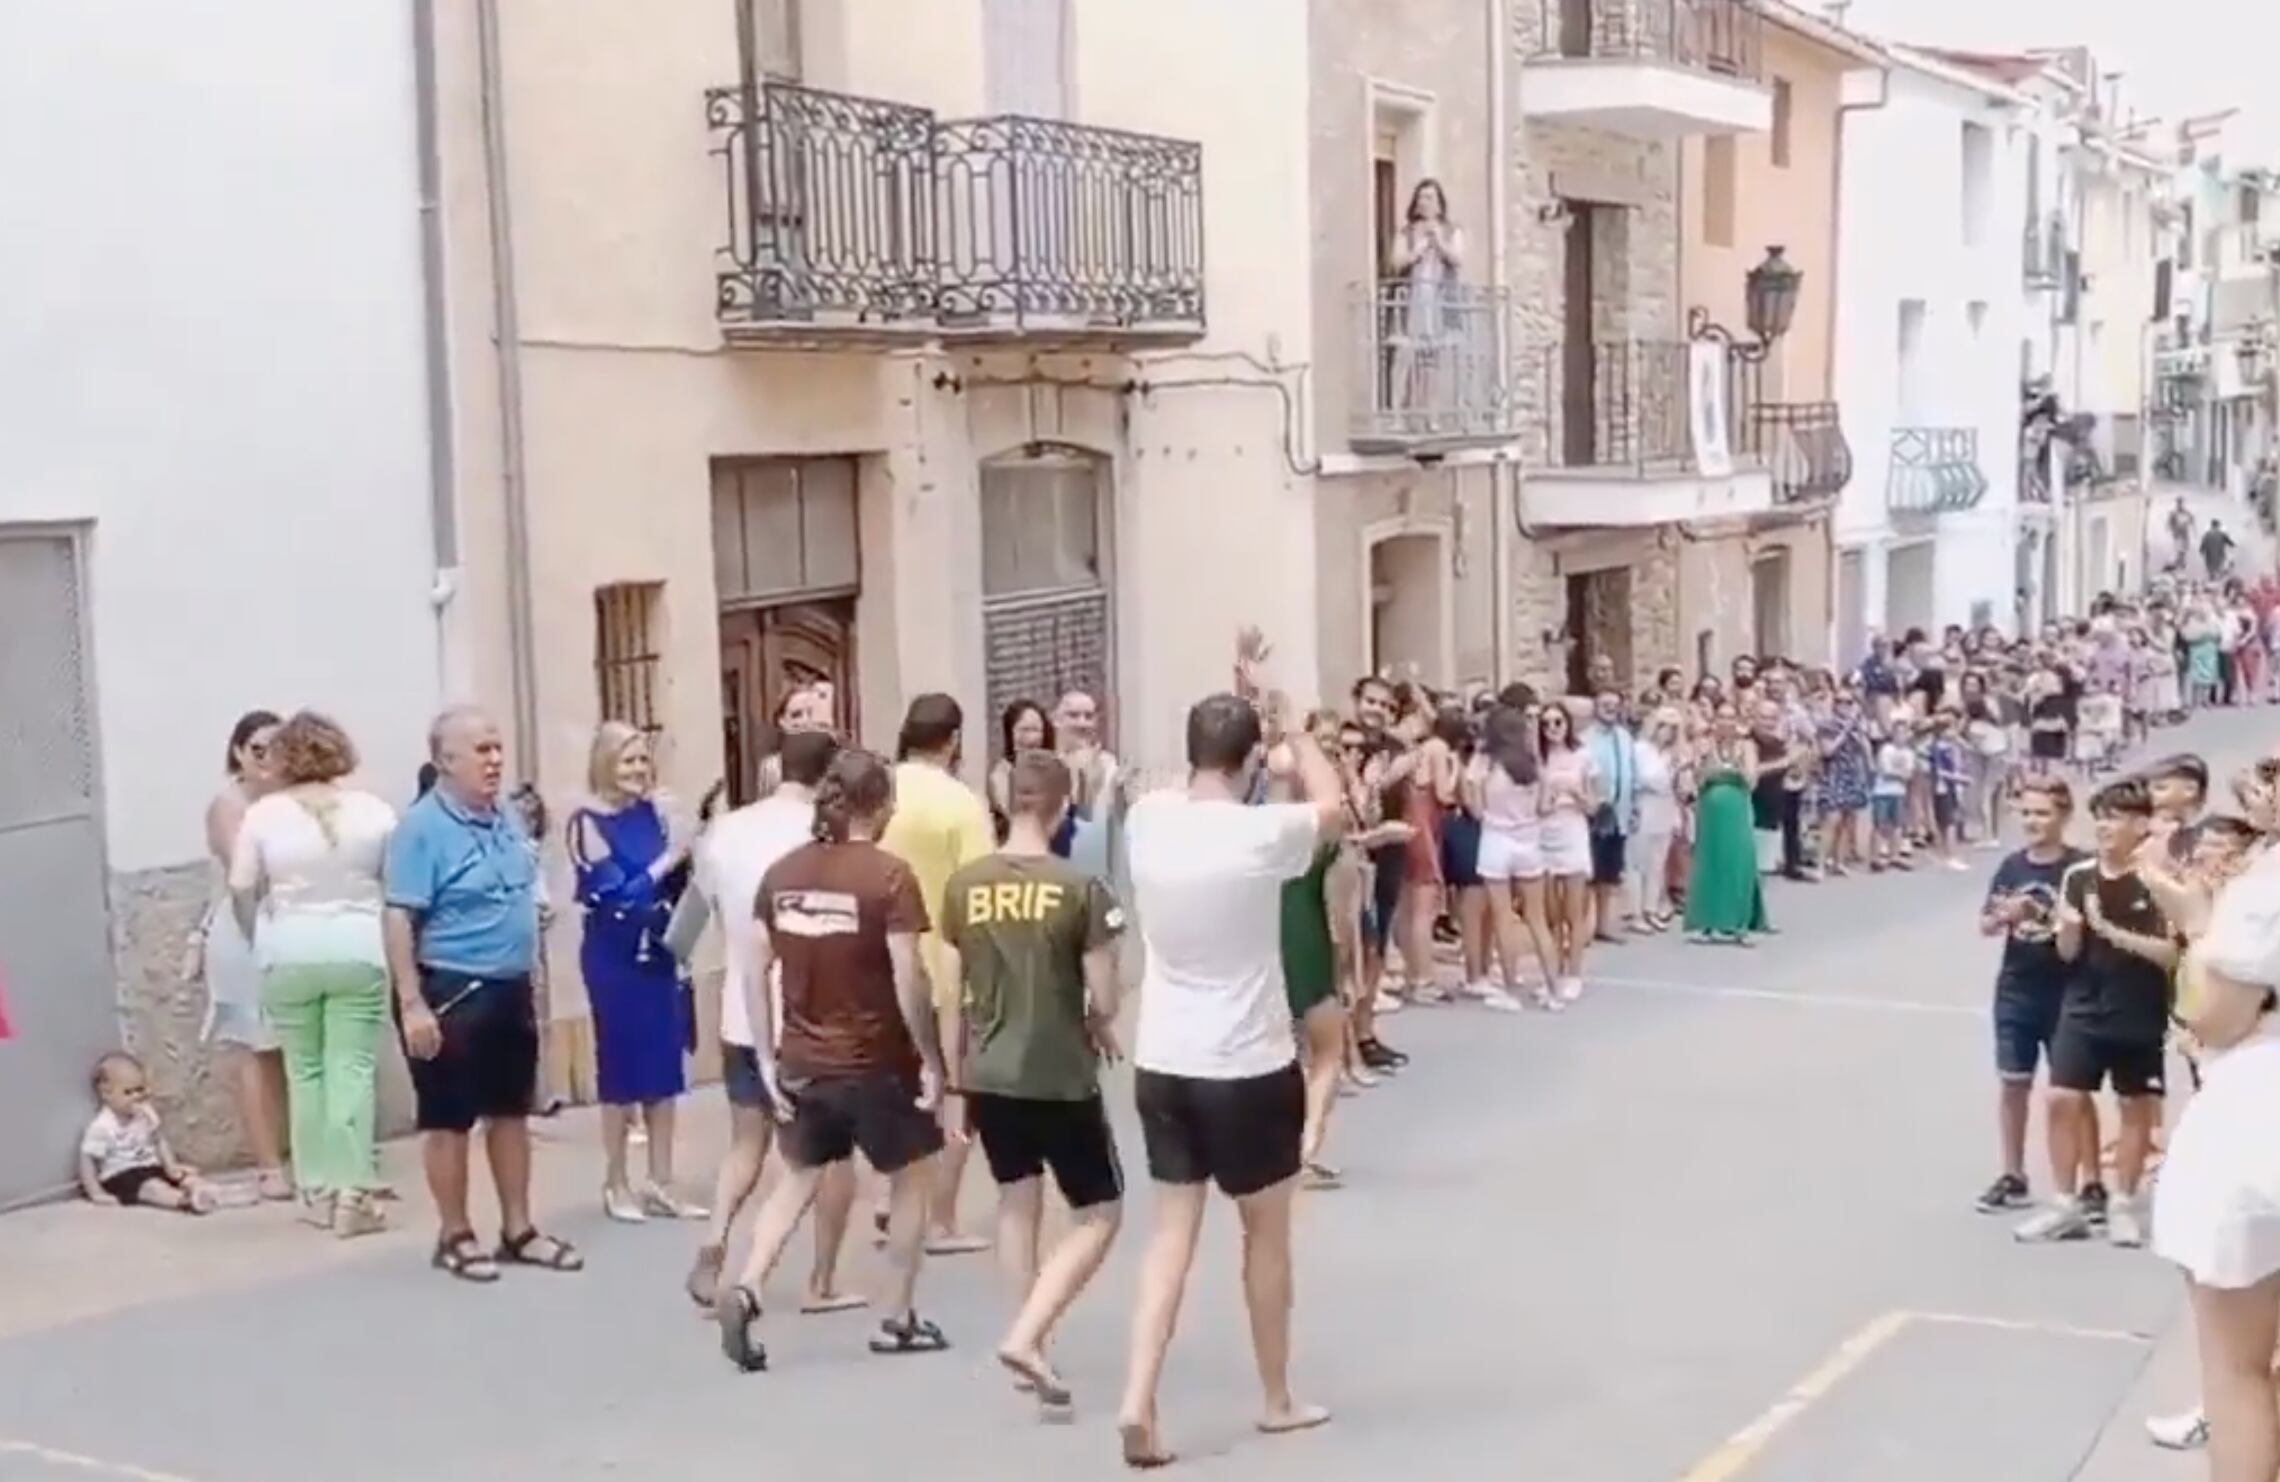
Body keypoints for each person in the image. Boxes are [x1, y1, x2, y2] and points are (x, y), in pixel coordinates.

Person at [1116, 633, 1345, 1468]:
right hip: (1247, 1063)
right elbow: (1333, 805)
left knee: (1170, 1234)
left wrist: (1242, 705)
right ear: (1252, 760)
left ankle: (1139, 1396)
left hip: (1165, 1058)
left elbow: (1212, 778)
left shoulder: (1148, 821)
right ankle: (1277, 1397)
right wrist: (1293, 723)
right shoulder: (1261, 838)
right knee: (1266, 1235)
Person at [716, 747, 952, 1372]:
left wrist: (766, 1056)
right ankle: (898, 1315)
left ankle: (748, 1285)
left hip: (803, 1056)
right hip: (877, 1059)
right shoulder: (891, 876)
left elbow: (753, 965)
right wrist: (930, 1056)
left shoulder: (785, 874)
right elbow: (910, 975)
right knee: (911, 1176)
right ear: (885, 806)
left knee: (796, 1176)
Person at [939, 749, 1127, 1411]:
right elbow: (1104, 998)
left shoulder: (966, 885)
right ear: (1061, 805)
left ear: (1008, 802)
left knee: (1017, 1202)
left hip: (990, 1071)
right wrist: (1097, 1016)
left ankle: (1028, 1337)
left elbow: (960, 987)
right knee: (1100, 1212)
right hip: (1060, 1072)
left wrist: (953, 1078)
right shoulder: (1079, 888)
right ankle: (1028, 1333)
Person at [384, 705, 583, 1282]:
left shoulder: (506, 818)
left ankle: (519, 1228)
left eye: (497, 748)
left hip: (510, 984)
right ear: (445, 761)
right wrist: (412, 1002)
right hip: (451, 986)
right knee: (448, 1119)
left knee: (510, 1111)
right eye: (481, 751)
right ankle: (455, 1233)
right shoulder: (421, 828)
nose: (494, 760)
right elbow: (400, 917)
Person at [681, 729, 860, 1313]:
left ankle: (714, 1239)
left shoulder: (727, 830)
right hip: (810, 1017)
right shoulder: (824, 838)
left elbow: (691, 916)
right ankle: (822, 1279)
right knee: (827, 1157)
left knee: (746, 1141)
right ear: (828, 777)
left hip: (739, 1007)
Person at [2149, 758, 2280, 1473]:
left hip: (2260, 1116)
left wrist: (2200, 930)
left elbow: (2218, 1019)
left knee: (2239, 1370)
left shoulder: (2265, 885)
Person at [227, 711, 396, 1237]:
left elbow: (240, 886)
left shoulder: (263, 815)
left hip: (289, 951)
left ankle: (316, 1188)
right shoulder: (374, 811)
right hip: (357, 947)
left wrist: (260, 935)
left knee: (305, 1071)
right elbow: (396, 886)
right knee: (351, 1067)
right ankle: (354, 1190)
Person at [2015, 779, 2175, 1247]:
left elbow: (2170, 953)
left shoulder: (2158, 880)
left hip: (2140, 1010)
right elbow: (2067, 951)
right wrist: (2064, 930)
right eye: (2101, 816)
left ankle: (2123, 1202)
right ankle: (2067, 1204)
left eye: (2117, 817)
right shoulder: (2078, 876)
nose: (2105, 826)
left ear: (2141, 824)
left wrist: (2111, 930)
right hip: (2084, 1006)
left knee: (2134, 1107)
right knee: (2062, 1097)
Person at [878, 694, 997, 1255]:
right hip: (946, 965)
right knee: (956, 1092)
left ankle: (892, 1200)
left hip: (880, 961)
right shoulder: (960, 803)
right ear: (952, 740)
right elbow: (979, 889)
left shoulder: (879, 791)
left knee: (898, 1091)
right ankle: (940, 1216)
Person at [568, 722, 701, 1222]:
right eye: (627, 761)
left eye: (643, 760)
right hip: (614, 957)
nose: (638, 771)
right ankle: (616, 1180)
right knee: (621, 1067)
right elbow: (615, 893)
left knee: (664, 1067)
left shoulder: (655, 815)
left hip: (660, 950)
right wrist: (670, 857)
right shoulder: (586, 822)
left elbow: (681, 880)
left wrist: (684, 839)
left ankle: (662, 1181)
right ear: (605, 763)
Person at [1974, 778, 2086, 1213]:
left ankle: (2080, 1181)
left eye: (2042, 813)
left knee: (2070, 1090)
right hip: (2017, 988)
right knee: (2014, 1082)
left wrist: (2049, 914)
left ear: (2063, 816)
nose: (2033, 822)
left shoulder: (2079, 868)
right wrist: (2004, 914)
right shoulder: (2012, 868)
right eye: (2026, 813)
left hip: (2068, 989)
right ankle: (2013, 1173)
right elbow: (1985, 923)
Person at [193, 709, 291, 1199]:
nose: (268, 760)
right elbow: (243, 875)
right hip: (243, 932)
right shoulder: (229, 805)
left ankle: (295, 1153)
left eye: (277, 749)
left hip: (287, 926)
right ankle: (268, 1166)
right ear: (238, 753)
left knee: (282, 1049)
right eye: (258, 750)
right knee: (254, 1049)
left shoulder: (288, 802)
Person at [80, 1052, 216, 1214]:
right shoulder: (102, 1126)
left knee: (182, 1176)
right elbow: (87, 1159)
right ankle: (182, 1201)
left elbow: (159, 1140)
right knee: (152, 1188)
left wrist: (171, 1166)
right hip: (121, 1175)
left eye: (140, 1090)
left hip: (150, 1165)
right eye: (128, 1092)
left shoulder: (146, 1114)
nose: (136, 1097)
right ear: (107, 1094)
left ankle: (201, 1190)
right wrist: (96, 1192)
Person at [1686, 701, 1768, 945]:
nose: (1726, 723)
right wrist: (1711, 768)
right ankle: (1707, 923)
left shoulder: (1747, 746)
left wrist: (1730, 769)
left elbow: (1750, 781)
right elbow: (1699, 779)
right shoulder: (1703, 745)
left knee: (1738, 861)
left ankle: (1739, 923)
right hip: (1710, 810)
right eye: (1721, 717)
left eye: (1731, 718)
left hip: (1737, 809)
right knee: (1710, 861)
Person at [1536, 701, 1597, 1001]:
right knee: (1550, 911)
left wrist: (1577, 794)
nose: (1552, 730)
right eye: (1546, 724)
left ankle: (1574, 971)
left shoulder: (1583, 756)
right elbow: (1535, 805)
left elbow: (1594, 805)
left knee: (1574, 909)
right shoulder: (1538, 760)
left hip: (1573, 830)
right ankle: (1553, 969)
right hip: (1545, 833)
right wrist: (1548, 797)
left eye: (1558, 722)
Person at [1583, 689, 1638, 944]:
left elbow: (1631, 770)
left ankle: (1604, 924)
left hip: (1620, 811)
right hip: (1596, 812)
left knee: (1610, 873)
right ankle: (1583, 925)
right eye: (1605, 704)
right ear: (1596, 707)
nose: (1610, 709)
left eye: (1614, 705)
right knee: (1590, 871)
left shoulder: (1624, 737)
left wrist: (1633, 805)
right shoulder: (1585, 739)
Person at [1631, 706, 1685, 929]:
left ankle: (1651, 908)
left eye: (1673, 729)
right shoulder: (1641, 749)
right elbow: (1647, 778)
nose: (1668, 733)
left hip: (1665, 806)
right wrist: (1669, 768)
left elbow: (1676, 786)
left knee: (1657, 862)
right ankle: (1635, 912)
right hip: (1645, 806)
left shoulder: (1671, 753)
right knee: (1639, 862)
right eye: (1664, 726)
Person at [2201, 518, 2236, 582]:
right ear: (2217, 526)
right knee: (2219, 568)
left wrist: (2202, 550)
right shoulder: (2221, 534)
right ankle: (2218, 580)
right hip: (2219, 555)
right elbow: (2229, 542)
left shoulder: (2207, 534)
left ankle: (2212, 580)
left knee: (2211, 570)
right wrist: (2233, 545)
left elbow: (2203, 545)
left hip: (2209, 556)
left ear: (2211, 526)